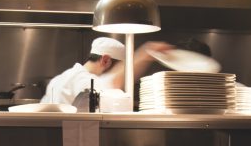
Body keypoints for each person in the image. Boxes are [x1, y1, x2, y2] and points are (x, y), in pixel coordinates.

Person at [41, 36, 171, 105]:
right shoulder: (85, 81)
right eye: (120, 68)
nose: (122, 73)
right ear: (105, 60)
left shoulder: (59, 79)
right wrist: (146, 53)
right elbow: (112, 83)